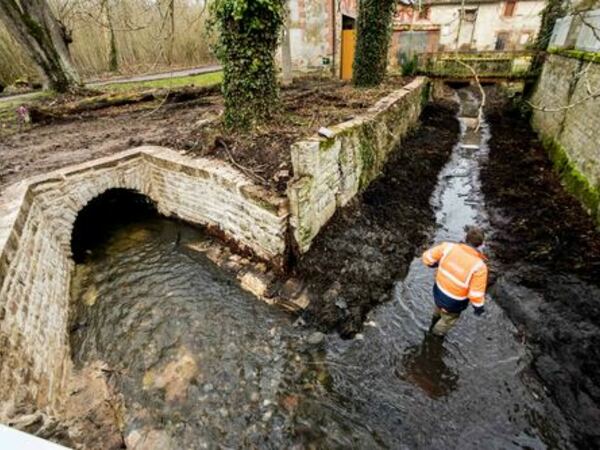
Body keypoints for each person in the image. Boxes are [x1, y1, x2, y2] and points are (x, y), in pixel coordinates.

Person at [422, 227, 488, 337]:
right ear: (480, 245)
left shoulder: (448, 247)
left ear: (466, 238)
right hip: (455, 302)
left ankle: (434, 320)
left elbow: (427, 257)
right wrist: (478, 308)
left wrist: (434, 264)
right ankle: (434, 336)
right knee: (447, 320)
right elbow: (476, 294)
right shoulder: (479, 267)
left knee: (438, 308)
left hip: (438, 291)